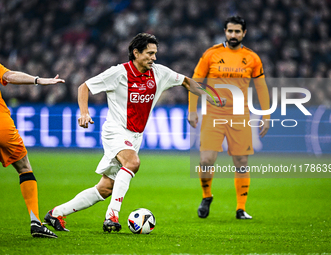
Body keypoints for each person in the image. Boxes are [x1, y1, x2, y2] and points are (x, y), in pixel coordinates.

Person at [44, 33, 225, 233]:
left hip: (135, 136)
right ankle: (111, 217)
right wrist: (84, 113)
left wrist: (211, 97)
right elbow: (84, 87)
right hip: (116, 130)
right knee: (133, 163)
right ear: (136, 53)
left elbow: (187, 82)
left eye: (155, 53)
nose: (154, 58)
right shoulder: (118, 73)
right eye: (149, 53)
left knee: (105, 188)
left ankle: (56, 213)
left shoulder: (159, 73)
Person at [188, 16, 270, 219]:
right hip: (213, 113)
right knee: (206, 160)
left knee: (241, 161)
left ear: (244, 33)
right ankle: (206, 196)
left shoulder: (252, 58)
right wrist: (192, 109)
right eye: (230, 31)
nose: (233, 35)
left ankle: (240, 208)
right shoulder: (212, 54)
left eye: (237, 31)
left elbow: (261, 88)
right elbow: (195, 82)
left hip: (239, 114)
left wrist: (266, 115)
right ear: (225, 31)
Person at [0, 64, 65, 238]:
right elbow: (9, 76)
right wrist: (38, 80)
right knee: (24, 167)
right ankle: (36, 222)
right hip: (2, 126)